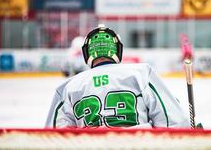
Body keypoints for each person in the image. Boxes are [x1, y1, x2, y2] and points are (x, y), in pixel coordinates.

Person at [45, 25, 190, 128]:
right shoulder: (141, 74)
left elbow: (55, 138)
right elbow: (173, 122)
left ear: (86, 53)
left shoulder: (67, 87)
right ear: (118, 50)